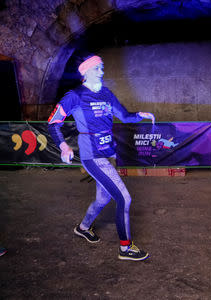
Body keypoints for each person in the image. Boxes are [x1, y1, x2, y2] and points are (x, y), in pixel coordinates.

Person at [48, 54, 155, 261]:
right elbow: (53, 122)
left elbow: (123, 115)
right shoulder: (75, 95)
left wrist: (140, 114)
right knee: (124, 198)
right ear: (86, 72)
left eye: (102, 67)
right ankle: (125, 248)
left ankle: (83, 227)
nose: (102, 71)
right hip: (92, 155)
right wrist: (63, 146)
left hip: (109, 153)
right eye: (97, 68)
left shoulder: (106, 93)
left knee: (103, 198)